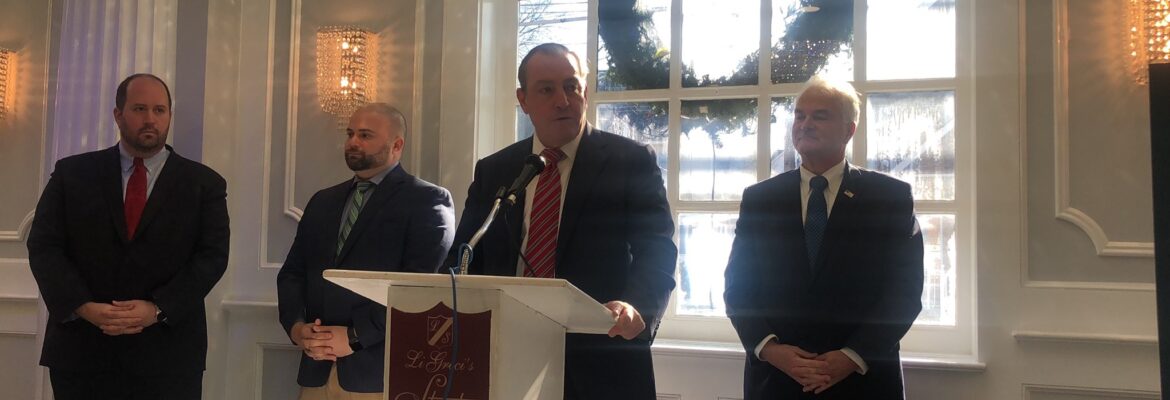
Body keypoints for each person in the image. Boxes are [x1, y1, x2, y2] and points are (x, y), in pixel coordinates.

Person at [446, 42, 677, 399]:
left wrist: (637, 306)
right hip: (506, 353)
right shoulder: (495, 170)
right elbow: (466, 253)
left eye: (571, 86)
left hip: (601, 354)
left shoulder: (630, 162)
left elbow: (657, 249)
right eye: (546, 89)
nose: (562, 100)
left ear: (585, 92)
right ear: (523, 100)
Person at [27, 73, 230, 399]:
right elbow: (44, 246)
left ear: (169, 116)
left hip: (168, 355)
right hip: (82, 351)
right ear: (118, 115)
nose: (151, 119)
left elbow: (212, 257)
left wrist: (158, 308)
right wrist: (82, 306)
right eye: (139, 109)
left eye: (159, 110)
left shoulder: (204, 184)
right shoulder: (72, 174)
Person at [724, 76, 925, 399]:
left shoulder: (889, 197)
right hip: (777, 381)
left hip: (863, 381)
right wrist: (771, 349)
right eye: (800, 116)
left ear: (849, 130)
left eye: (820, 116)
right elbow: (738, 287)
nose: (805, 124)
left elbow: (904, 292)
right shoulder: (760, 198)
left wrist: (851, 357)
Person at [277, 102, 455, 398]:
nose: (353, 142)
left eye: (365, 135)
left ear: (397, 145)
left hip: (380, 374)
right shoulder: (322, 201)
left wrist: (355, 337)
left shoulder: (427, 200)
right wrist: (297, 328)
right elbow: (292, 273)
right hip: (316, 369)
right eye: (350, 134)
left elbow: (418, 287)